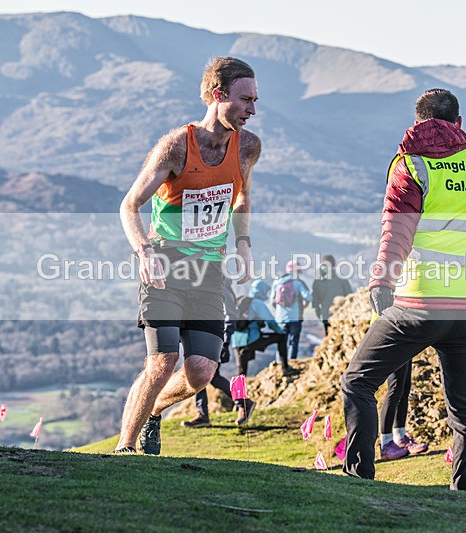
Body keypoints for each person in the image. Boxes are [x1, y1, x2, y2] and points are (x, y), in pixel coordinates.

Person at [341, 88, 466, 490]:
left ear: (417, 122)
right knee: (465, 409)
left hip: (417, 305)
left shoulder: (410, 167)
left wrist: (382, 280)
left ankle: (358, 481)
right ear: (459, 124)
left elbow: (396, 231)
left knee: (357, 383)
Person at [113, 57, 261, 455]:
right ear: (218, 95)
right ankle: (126, 448)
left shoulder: (247, 146)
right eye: (245, 100)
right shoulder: (176, 146)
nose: (252, 110)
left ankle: (154, 411)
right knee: (161, 362)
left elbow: (242, 197)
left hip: (209, 272)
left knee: (200, 372)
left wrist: (243, 244)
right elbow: (130, 205)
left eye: (255, 101)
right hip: (164, 264)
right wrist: (144, 252)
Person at [182, 279, 238, 428]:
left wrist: (224, 342)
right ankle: (241, 402)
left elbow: (230, 315)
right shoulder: (208, 283)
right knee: (208, 377)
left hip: (215, 338)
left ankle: (203, 415)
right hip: (206, 336)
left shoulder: (220, 283)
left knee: (204, 376)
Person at [231, 280, 293, 382]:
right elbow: (271, 322)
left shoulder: (244, 302)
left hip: (237, 342)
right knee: (281, 337)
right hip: (251, 339)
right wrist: (281, 331)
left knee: (241, 372)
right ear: (262, 291)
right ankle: (285, 368)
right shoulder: (257, 303)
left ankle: (237, 397)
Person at [377, 364, 429, 460]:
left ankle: (400, 439)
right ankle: (386, 444)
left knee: (404, 389)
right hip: (393, 350)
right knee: (395, 388)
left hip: (406, 349)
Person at [271, 260, 313, 362]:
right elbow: (309, 297)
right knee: (293, 342)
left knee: (281, 342)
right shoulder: (298, 283)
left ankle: (279, 363)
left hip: (280, 318)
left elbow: (272, 301)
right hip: (295, 318)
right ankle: (291, 362)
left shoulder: (277, 283)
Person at [312, 254, 352, 335]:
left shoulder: (317, 282)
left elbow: (315, 302)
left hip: (326, 315)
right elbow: (350, 297)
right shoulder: (342, 279)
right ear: (333, 265)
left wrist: (319, 314)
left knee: (330, 339)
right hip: (341, 315)